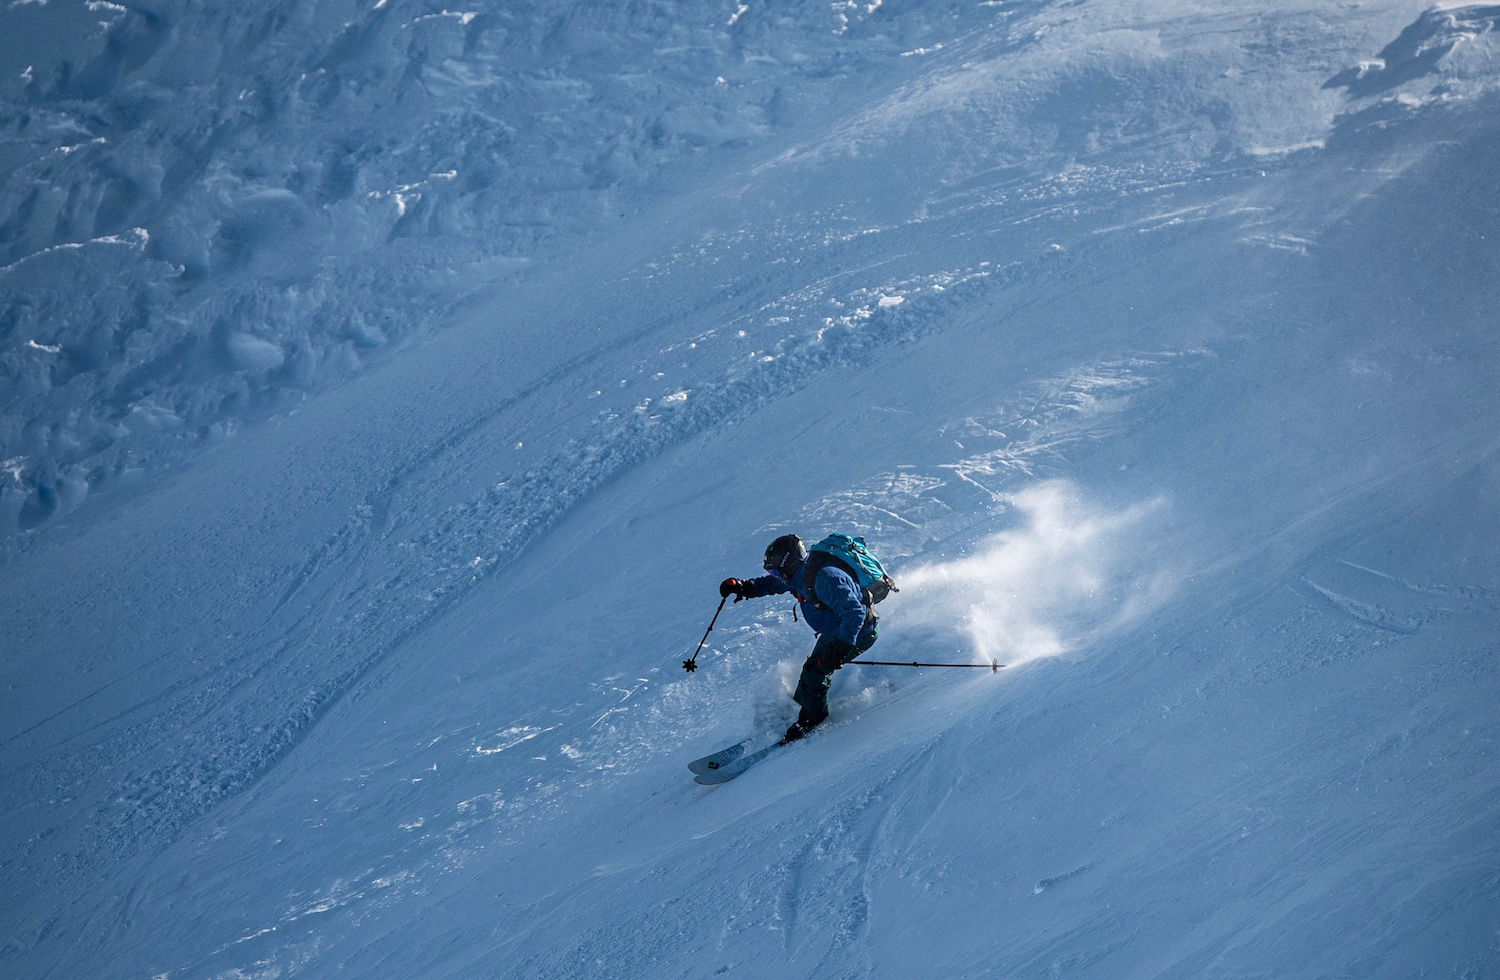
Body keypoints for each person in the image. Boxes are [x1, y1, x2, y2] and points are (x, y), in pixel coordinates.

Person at [719, 534, 880, 743]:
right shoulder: (797, 576)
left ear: (789, 563)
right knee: (811, 669)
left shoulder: (825, 578)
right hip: (836, 630)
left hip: (857, 632)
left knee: (816, 672)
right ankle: (802, 707)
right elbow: (773, 584)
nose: (776, 575)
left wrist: (841, 647)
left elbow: (854, 612)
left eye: (776, 570)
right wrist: (744, 587)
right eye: (772, 572)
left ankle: (812, 721)